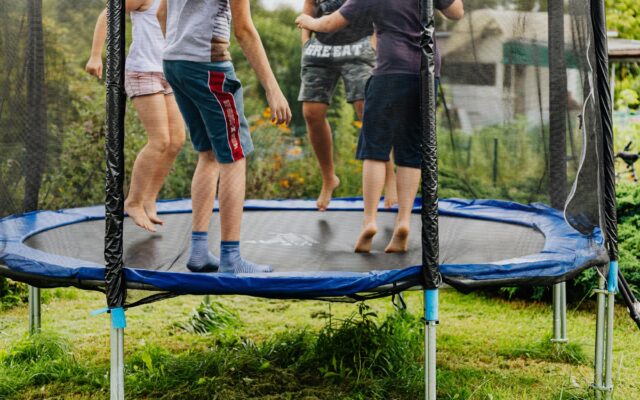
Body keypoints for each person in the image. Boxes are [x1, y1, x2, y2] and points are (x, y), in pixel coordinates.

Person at [296, 0, 464, 253]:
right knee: (411, 151)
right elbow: (456, 12)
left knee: (374, 149)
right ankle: (404, 221)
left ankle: (370, 221)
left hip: (389, 71)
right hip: (426, 72)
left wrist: (309, 22)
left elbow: (331, 23)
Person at [157, 0, 292, 273]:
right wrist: (272, 88)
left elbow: (162, 13)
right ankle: (231, 257)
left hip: (174, 62)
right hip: (209, 66)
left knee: (207, 154)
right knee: (234, 155)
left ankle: (198, 251)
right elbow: (243, 30)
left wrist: (182, 47)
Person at [86, 0, 186, 233]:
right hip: (143, 71)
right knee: (160, 141)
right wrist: (95, 56)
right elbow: (109, 13)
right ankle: (132, 201)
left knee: (177, 140)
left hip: (168, 71)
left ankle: (149, 198)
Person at [299, 0, 397, 211]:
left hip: (358, 44)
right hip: (321, 47)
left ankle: (390, 177)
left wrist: (373, 42)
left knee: (367, 109)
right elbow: (309, 5)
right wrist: (305, 41)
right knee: (311, 112)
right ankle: (329, 179)